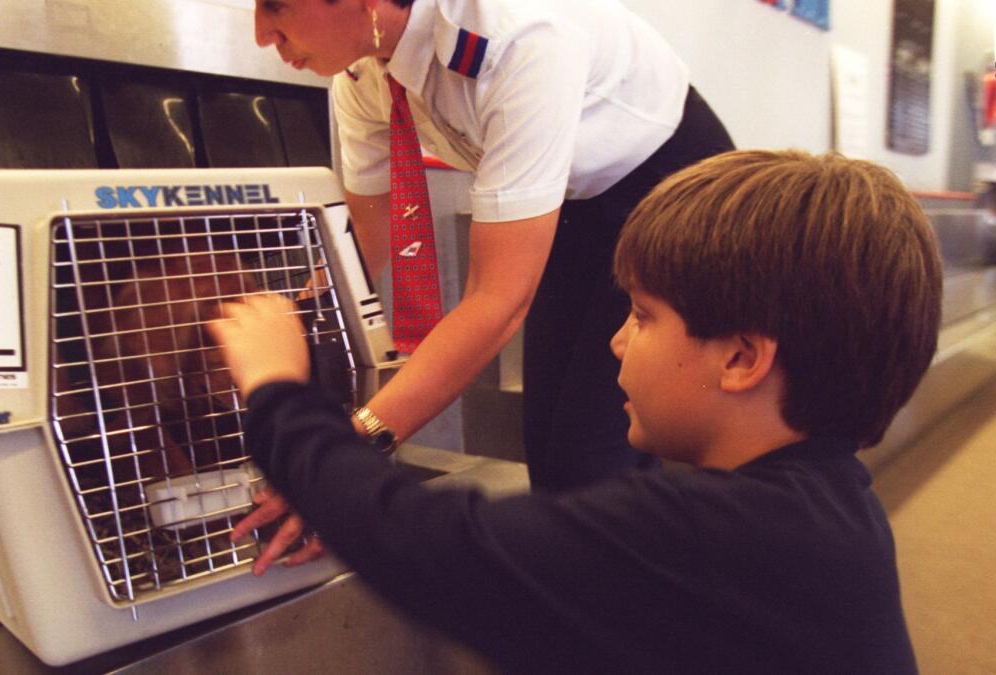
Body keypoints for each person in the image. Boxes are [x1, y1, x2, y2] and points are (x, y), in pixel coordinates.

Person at [208, 150, 937, 672]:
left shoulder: (713, 534)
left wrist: (278, 391)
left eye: (644, 316)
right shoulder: (832, 501)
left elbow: (434, 547)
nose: (617, 338)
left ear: (742, 359)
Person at [243, 0, 735, 570]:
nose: (260, 34)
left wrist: (344, 455)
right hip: (572, 207)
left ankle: (645, 626)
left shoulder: (517, 34)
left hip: (671, 191)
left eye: (273, 4)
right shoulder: (361, 70)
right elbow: (366, 244)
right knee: (551, 455)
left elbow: (497, 301)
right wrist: (288, 320)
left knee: (590, 458)